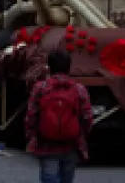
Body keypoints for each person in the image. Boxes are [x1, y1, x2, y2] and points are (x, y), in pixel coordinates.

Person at [25, 49, 93, 183]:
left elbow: (31, 116)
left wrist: (31, 137)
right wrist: (81, 135)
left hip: (46, 144)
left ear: (49, 67)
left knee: (49, 177)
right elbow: (87, 118)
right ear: (69, 67)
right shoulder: (79, 89)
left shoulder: (40, 88)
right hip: (72, 143)